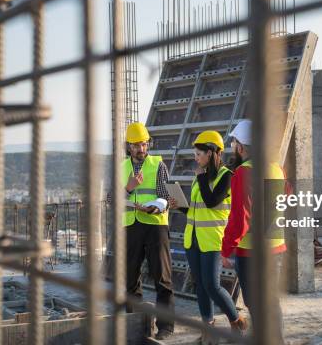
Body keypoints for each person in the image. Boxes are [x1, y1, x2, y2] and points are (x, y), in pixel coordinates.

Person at [221, 120, 288, 340]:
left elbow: (240, 219)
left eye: (234, 143)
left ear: (241, 147)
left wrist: (225, 249)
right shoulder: (276, 168)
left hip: (251, 252)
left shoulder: (243, 172)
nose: (233, 146)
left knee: (255, 303)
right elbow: (285, 197)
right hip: (275, 246)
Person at [184, 131, 247, 341]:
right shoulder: (200, 177)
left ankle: (236, 320)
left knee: (212, 285)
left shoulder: (227, 176)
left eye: (199, 153)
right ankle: (208, 326)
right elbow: (198, 208)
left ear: (211, 153)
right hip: (192, 238)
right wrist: (181, 207)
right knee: (200, 285)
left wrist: (201, 177)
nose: (196, 158)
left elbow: (211, 201)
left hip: (212, 239)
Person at [122, 122, 176, 340]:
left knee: (162, 278)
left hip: (155, 226)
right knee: (130, 279)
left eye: (144, 144)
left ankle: (165, 326)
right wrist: (129, 187)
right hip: (131, 226)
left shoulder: (157, 164)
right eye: (136, 145)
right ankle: (134, 323)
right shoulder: (122, 167)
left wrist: (159, 205)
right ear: (128, 147)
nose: (142, 149)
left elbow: (166, 195)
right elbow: (110, 199)